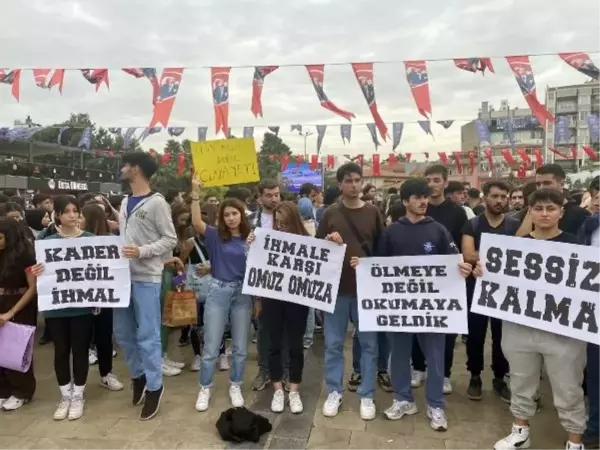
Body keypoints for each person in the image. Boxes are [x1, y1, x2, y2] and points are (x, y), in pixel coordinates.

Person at [352, 178, 473, 432]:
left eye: (425, 197)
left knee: (436, 358)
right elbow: (378, 268)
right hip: (400, 309)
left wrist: (462, 267)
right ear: (405, 201)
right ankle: (403, 399)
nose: (422, 202)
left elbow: (453, 262)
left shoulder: (438, 230)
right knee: (399, 356)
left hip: (432, 309)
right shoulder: (392, 232)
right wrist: (363, 267)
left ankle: (436, 404)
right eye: (417, 197)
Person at [494, 189, 585, 450]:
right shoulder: (513, 248)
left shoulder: (577, 246)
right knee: (521, 381)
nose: (545, 214)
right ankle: (520, 431)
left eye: (551, 208)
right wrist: (480, 271)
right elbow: (497, 281)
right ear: (529, 212)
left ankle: (575, 441)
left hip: (564, 331)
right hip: (520, 328)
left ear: (561, 212)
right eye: (539, 208)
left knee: (568, 388)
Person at [316, 162, 383, 421]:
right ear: (340, 184)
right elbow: (317, 250)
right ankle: (334, 390)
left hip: (366, 290)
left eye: (357, 180)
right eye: (348, 180)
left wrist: (369, 265)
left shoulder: (373, 212)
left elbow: (382, 250)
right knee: (333, 344)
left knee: (369, 345)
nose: (354, 185)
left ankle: (367, 394)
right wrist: (327, 240)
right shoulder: (330, 214)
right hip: (335, 290)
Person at [114, 152, 178, 421]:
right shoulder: (126, 200)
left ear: (136, 169)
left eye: (125, 165)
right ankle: (138, 376)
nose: (122, 169)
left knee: (148, 335)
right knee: (124, 333)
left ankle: (154, 385)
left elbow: (170, 239)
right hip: (121, 278)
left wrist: (141, 251)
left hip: (147, 278)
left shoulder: (157, 203)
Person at [30, 196, 96, 421]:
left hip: (81, 307)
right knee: (60, 351)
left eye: (75, 210)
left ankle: (78, 395)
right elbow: (36, 270)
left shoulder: (90, 240)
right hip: (56, 307)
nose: (72, 215)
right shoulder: (46, 242)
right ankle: (65, 395)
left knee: (79, 350)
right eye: (66, 211)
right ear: (57, 214)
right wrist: (38, 271)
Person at [190, 179, 252, 412]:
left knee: (240, 347)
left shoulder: (251, 238)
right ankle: (204, 387)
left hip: (243, 294)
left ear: (241, 215)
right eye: (227, 214)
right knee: (212, 345)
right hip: (219, 291)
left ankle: (235, 384)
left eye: (235, 213)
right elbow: (196, 222)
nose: (231, 218)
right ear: (222, 218)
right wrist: (196, 194)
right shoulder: (215, 236)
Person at [248, 202, 311, 414]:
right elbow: (257, 268)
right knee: (273, 344)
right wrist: (252, 245)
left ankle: (294, 390)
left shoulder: (307, 242)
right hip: (272, 299)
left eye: (284, 222)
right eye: (277, 222)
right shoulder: (266, 240)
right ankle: (277, 389)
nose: (281, 226)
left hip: (297, 301)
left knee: (295, 345)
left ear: (293, 220)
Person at [412, 165, 468, 394]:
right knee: (415, 324)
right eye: (428, 180)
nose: (432, 184)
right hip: (418, 279)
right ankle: (418, 367)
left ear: (445, 183)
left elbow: (462, 245)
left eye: (437, 180)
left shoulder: (458, 212)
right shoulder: (418, 209)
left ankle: (444, 373)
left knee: (446, 328)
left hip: (447, 280)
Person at [461, 181, 516, 403]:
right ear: (485, 198)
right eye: (495, 196)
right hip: (476, 289)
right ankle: (475, 376)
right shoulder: (472, 225)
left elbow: (520, 254)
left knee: (502, 337)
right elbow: (468, 255)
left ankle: (499, 377)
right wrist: (502, 255)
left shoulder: (514, 225)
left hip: (504, 291)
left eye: (504, 196)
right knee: (475, 335)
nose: (500, 200)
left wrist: (483, 255)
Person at [0, 218, 38, 411]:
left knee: (17, 347)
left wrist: (11, 312)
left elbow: (32, 287)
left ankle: (22, 391)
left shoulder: (26, 255)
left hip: (19, 304)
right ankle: (3, 389)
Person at [251, 179, 282, 391]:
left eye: (277, 194)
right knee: (263, 329)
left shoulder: (289, 217)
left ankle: (285, 372)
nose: (274, 199)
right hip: (261, 282)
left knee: (287, 330)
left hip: (288, 282)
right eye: (269, 195)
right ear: (260, 197)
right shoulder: (251, 221)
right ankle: (264, 371)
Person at [516, 164, 589, 237]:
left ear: (562, 184)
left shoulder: (580, 215)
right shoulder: (528, 212)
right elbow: (520, 242)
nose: (541, 188)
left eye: (547, 183)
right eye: (538, 184)